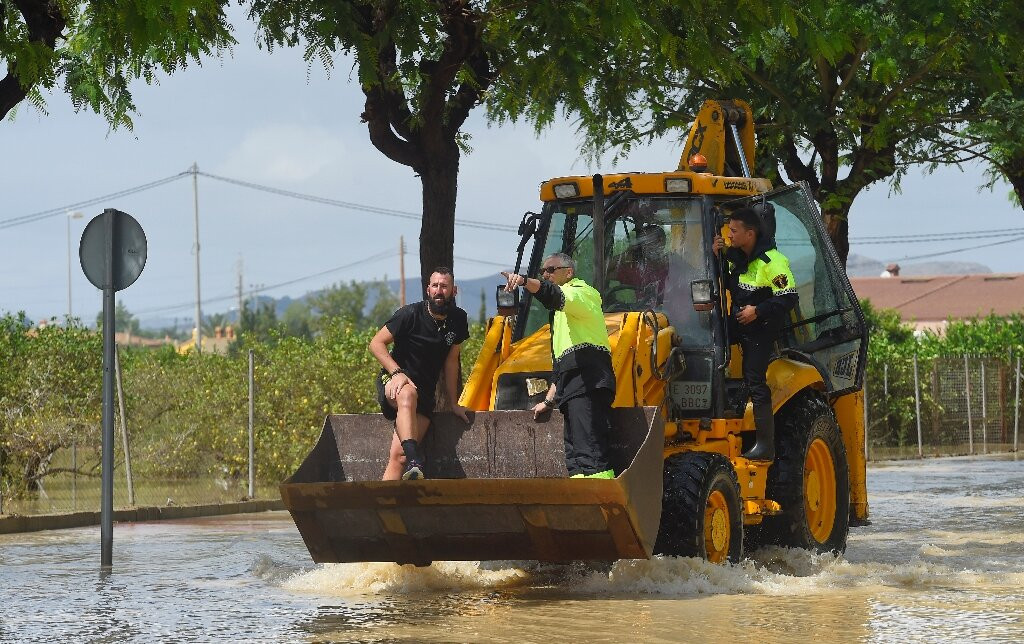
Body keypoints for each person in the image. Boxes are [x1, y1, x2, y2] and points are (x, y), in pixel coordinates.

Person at [501, 253, 616, 479]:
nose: (546, 275)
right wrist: (548, 399)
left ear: (569, 272)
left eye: (551, 270)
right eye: (543, 271)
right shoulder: (561, 316)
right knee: (574, 459)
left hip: (588, 381)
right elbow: (562, 365)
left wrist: (524, 281)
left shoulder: (582, 293)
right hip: (573, 385)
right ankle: (584, 506)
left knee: (590, 454)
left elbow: (552, 294)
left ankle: (603, 506)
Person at [712, 207, 798, 461]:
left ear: (750, 234)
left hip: (762, 328)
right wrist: (717, 255)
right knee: (711, 344)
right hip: (741, 321)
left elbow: (788, 298)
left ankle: (764, 446)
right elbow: (727, 282)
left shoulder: (774, 262)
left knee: (755, 380)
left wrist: (757, 311)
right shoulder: (737, 257)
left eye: (734, 231)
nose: (729, 234)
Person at [368, 267, 470, 480]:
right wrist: (396, 372)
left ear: (454, 291)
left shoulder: (458, 319)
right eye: (435, 286)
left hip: (424, 394)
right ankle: (417, 459)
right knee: (407, 394)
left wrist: (453, 403)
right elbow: (376, 344)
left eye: (444, 286)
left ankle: (384, 508)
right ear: (428, 290)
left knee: (399, 457)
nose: (439, 291)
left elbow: (451, 362)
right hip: (394, 383)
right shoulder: (409, 314)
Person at [609, 224, 669, 306]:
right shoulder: (637, 270)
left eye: (649, 241)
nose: (646, 246)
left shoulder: (674, 267)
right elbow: (604, 272)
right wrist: (626, 255)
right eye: (643, 243)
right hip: (641, 316)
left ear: (661, 241)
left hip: (668, 317)